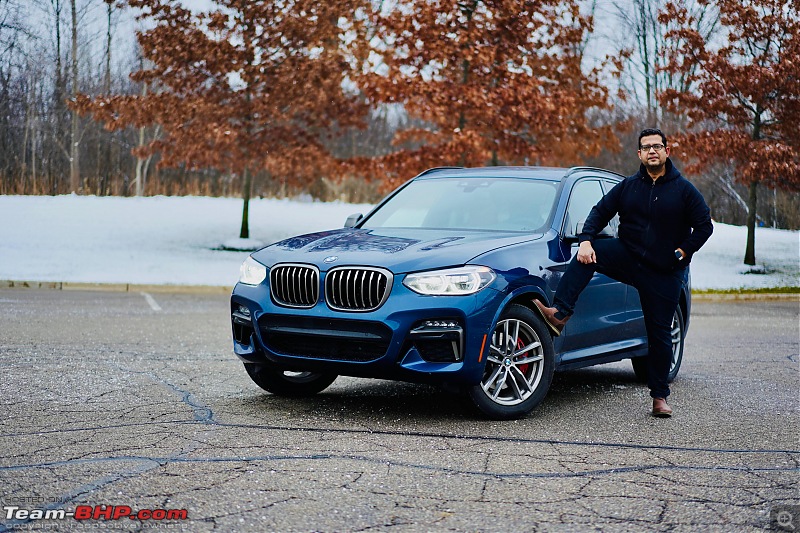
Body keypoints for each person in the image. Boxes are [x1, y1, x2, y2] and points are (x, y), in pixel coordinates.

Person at [534, 128, 713, 418]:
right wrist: (587, 240)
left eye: (657, 146)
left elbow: (705, 225)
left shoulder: (684, 190)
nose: (652, 151)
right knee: (585, 258)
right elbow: (598, 212)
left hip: (664, 271)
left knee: (659, 335)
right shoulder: (629, 187)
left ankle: (659, 398)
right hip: (629, 256)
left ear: (667, 151)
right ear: (639, 154)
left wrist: (682, 252)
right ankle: (560, 313)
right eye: (646, 147)